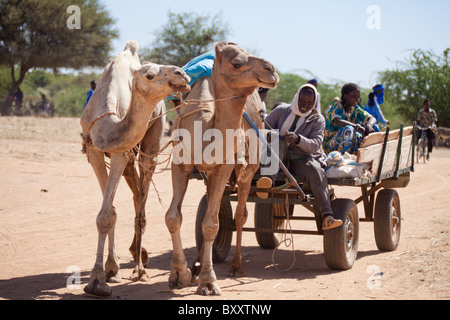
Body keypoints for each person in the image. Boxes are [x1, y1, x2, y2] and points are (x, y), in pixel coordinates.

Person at [260, 84, 343, 230]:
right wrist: (276, 137)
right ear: (297, 97)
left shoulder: (318, 120)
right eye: (302, 101)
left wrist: (298, 139)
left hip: (301, 158)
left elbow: (315, 145)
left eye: (309, 103)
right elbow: (263, 129)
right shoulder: (280, 111)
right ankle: (267, 182)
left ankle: (327, 216)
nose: (305, 106)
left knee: (316, 171)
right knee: (278, 141)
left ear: (314, 103)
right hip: (277, 157)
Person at [323, 83, 377, 155]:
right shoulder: (338, 105)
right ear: (345, 95)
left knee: (375, 127)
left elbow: (372, 118)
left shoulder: (355, 109)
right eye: (354, 96)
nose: (357, 100)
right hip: (331, 145)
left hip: (348, 141)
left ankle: (370, 154)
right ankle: (344, 157)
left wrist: (369, 125)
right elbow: (338, 120)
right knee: (349, 129)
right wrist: (356, 126)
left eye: (358, 97)